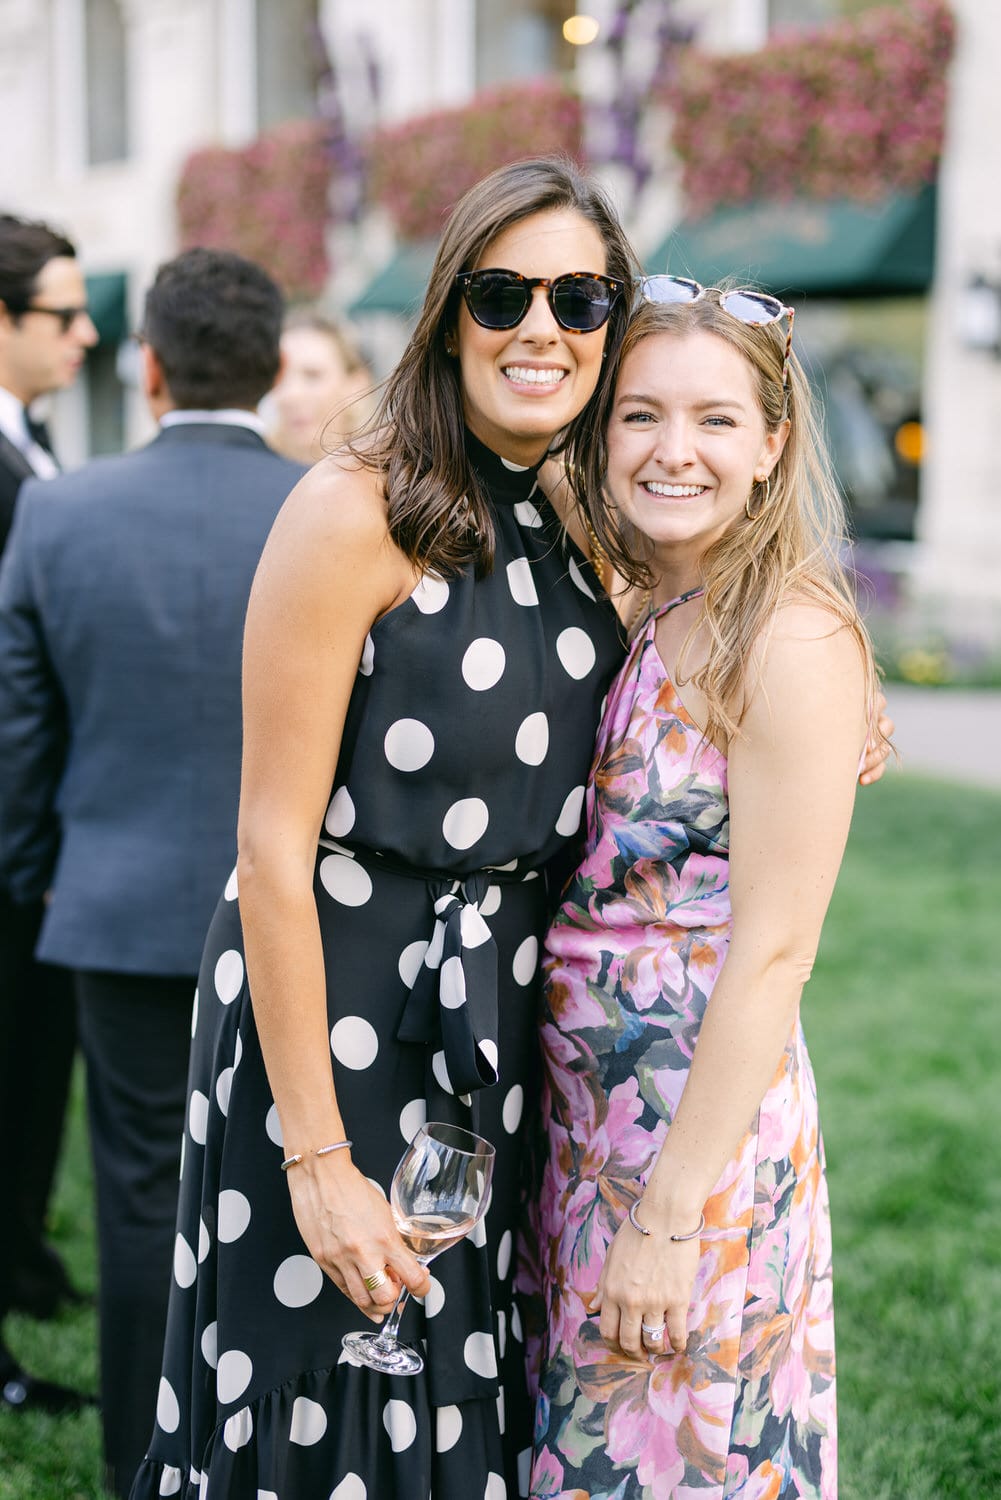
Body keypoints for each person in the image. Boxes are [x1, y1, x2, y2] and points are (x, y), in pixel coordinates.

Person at [128, 155, 639, 1500]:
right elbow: (268, 851)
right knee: (323, 1372)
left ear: (612, 326)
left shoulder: (590, 525)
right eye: (503, 293)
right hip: (333, 1014)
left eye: (580, 299)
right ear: (446, 312)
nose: (541, 327)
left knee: (449, 1378)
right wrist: (318, 1158)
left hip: (493, 1027)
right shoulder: (353, 509)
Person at [525, 283, 886, 1499]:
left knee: (671, 1462)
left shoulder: (785, 637)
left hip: (691, 1141)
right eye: (638, 415)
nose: (673, 449)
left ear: (773, 442)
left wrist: (669, 1217)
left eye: (715, 420)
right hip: (586, 1127)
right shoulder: (641, 595)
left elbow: (777, 955)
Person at [0, 247, 305, 1494]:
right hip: (307, 920)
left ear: (150, 365)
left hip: (114, 917)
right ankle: (278, 1446)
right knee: (296, 1182)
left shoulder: (59, 513)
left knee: (138, 1200)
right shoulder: (333, 508)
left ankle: (146, 1456)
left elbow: (21, 738)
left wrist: (36, 880)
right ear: (277, 367)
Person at [0, 210, 98, 1416]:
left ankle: (22, 1261)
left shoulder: (35, 445)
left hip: (47, 827)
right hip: (14, 827)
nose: (84, 334)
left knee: (34, 1066)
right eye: (63, 316)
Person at [268, 310, 374, 464]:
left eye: (312, 375)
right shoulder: (252, 473)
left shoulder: (389, 480)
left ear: (356, 385)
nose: (290, 394)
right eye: (279, 377)